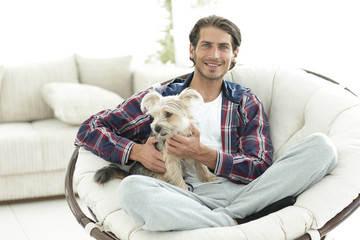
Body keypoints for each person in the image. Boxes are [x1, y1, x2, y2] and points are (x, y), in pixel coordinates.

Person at [75, 15, 337, 231]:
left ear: (234, 54)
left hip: (242, 191)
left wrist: (204, 154)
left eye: (223, 47)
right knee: (131, 189)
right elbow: (90, 129)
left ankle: (224, 216)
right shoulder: (159, 99)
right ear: (192, 50)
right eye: (206, 45)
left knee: (322, 148)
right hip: (180, 195)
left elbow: (259, 167)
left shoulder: (245, 102)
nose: (214, 54)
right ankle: (233, 221)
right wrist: (136, 151)